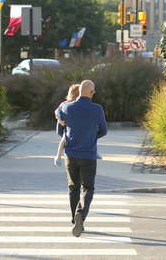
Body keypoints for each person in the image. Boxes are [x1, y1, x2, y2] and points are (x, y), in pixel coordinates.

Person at [56, 79, 107, 237]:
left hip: (70, 155)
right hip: (88, 154)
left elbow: (60, 131)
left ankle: (74, 219)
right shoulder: (97, 109)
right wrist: (91, 137)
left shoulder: (66, 107)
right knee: (88, 188)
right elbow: (104, 131)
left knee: (73, 188)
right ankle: (81, 215)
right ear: (91, 93)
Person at [54, 84, 80, 167]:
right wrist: (59, 119)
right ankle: (58, 156)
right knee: (64, 138)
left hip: (70, 125)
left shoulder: (78, 103)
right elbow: (57, 111)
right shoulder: (65, 103)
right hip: (63, 125)